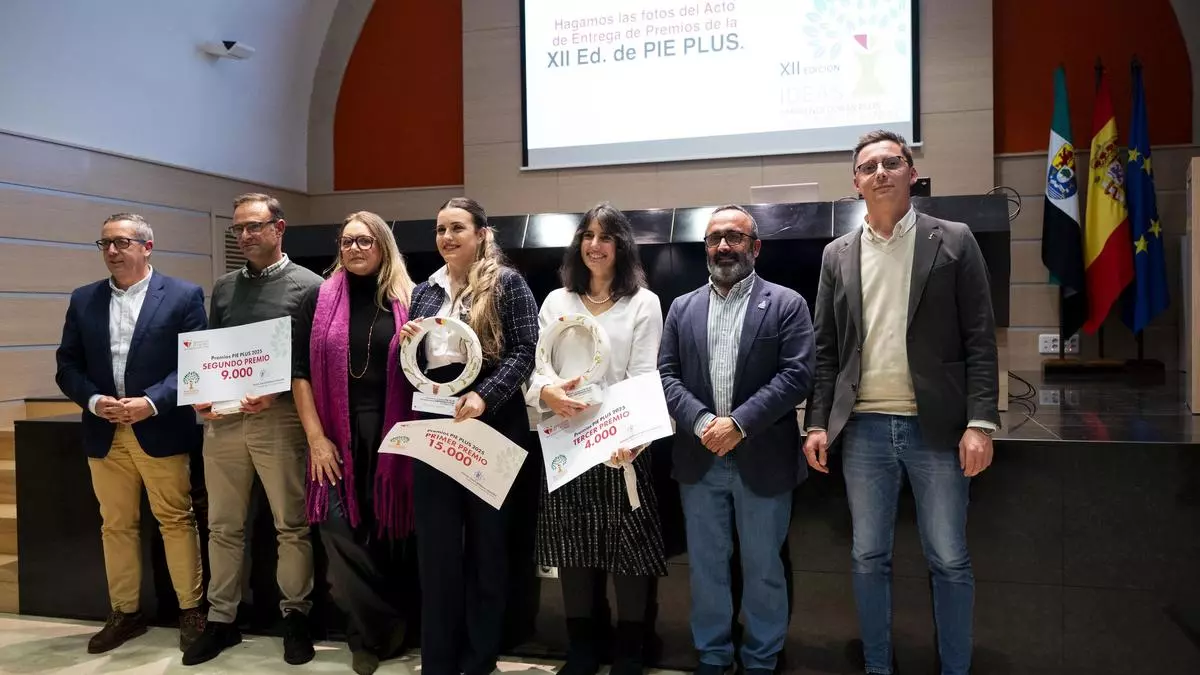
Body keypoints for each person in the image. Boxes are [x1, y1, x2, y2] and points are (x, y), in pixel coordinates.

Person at [803, 130, 1000, 675]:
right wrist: (816, 423)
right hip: (863, 428)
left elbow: (980, 338)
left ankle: (955, 669)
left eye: (892, 162)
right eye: (869, 167)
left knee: (949, 558)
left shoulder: (954, 240)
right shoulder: (837, 254)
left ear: (912, 173)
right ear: (856, 183)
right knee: (868, 556)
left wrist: (980, 421)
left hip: (937, 427)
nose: (881, 173)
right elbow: (826, 349)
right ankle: (877, 667)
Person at [658, 205, 815, 674]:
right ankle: (713, 656)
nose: (724, 246)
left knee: (764, 567)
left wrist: (738, 424)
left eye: (735, 237)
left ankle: (762, 659)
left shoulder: (786, 303)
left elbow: (797, 375)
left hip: (763, 459)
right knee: (707, 568)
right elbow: (666, 375)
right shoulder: (682, 307)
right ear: (705, 248)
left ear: (755, 247)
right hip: (699, 456)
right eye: (715, 238)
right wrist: (703, 422)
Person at [54, 213, 208, 654]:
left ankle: (191, 610)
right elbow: (67, 365)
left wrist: (151, 402)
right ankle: (125, 613)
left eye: (121, 242)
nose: (112, 251)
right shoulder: (83, 299)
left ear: (146, 247)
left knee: (176, 521)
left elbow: (194, 364)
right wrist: (93, 400)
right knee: (116, 525)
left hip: (160, 427)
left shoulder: (182, 295)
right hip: (104, 431)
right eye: (105, 243)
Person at [183, 193, 324, 667]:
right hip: (223, 422)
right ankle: (221, 620)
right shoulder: (224, 287)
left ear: (278, 228)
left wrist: (276, 393)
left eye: (254, 226)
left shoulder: (310, 286)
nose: (244, 235)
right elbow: (214, 352)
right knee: (222, 526)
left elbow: (316, 363)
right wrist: (202, 391)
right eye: (238, 228)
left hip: (280, 418)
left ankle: (296, 617)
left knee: (291, 524)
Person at [399, 197, 538, 675]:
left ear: (481, 233)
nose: (446, 237)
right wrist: (406, 342)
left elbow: (526, 351)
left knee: (487, 547)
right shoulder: (424, 291)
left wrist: (485, 397)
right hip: (435, 422)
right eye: (440, 229)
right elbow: (416, 364)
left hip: (492, 421)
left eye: (457, 228)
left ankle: (480, 660)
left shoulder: (508, 284)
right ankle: (438, 660)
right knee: (436, 550)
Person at [527, 203, 667, 675]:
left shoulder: (643, 303)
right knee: (573, 551)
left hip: (620, 447)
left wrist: (631, 438)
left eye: (606, 237)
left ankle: (630, 652)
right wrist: (545, 392)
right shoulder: (556, 302)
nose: (595, 244)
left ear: (621, 245)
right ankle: (583, 650)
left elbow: (643, 376)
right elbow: (537, 369)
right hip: (566, 442)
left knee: (629, 553)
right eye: (587, 235)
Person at [292, 211, 418, 675]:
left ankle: (366, 637)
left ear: (383, 246)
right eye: (347, 241)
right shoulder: (318, 299)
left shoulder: (410, 299)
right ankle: (385, 627)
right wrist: (316, 439)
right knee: (338, 530)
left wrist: (421, 342)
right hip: (334, 434)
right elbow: (300, 375)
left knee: (385, 536)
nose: (355, 249)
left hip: (394, 433)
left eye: (365, 241)